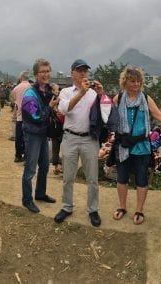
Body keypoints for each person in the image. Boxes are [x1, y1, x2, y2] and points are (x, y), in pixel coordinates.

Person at [110, 66, 161, 224]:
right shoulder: (118, 98)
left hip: (141, 145)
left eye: (138, 81)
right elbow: (107, 112)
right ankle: (122, 206)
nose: (136, 84)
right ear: (125, 82)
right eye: (132, 81)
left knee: (141, 178)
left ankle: (139, 210)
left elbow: (159, 115)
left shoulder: (145, 98)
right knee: (122, 178)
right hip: (123, 145)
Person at [54, 59, 108, 227]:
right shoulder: (66, 92)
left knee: (92, 178)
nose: (83, 73)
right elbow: (64, 109)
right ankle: (67, 206)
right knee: (68, 177)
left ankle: (93, 210)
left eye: (85, 70)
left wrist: (101, 94)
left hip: (90, 139)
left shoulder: (94, 94)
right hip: (70, 137)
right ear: (72, 73)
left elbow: (106, 113)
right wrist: (81, 93)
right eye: (79, 70)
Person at [21, 59, 58, 213]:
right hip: (32, 135)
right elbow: (35, 116)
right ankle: (27, 200)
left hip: (43, 135)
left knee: (44, 166)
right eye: (42, 71)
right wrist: (50, 108)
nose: (45, 74)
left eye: (47, 71)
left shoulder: (47, 91)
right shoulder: (30, 93)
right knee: (30, 169)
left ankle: (40, 193)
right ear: (36, 74)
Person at [11, 71, 31, 162]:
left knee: (19, 138)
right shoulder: (32, 87)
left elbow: (13, 99)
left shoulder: (16, 88)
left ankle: (18, 156)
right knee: (28, 138)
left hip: (20, 117)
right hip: (30, 118)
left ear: (21, 78)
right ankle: (27, 156)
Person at [50, 83, 64, 175]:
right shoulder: (51, 99)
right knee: (56, 147)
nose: (58, 91)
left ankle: (60, 166)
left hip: (62, 126)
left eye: (58, 89)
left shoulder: (62, 99)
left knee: (63, 148)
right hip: (56, 126)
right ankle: (57, 166)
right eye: (55, 89)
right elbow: (52, 108)